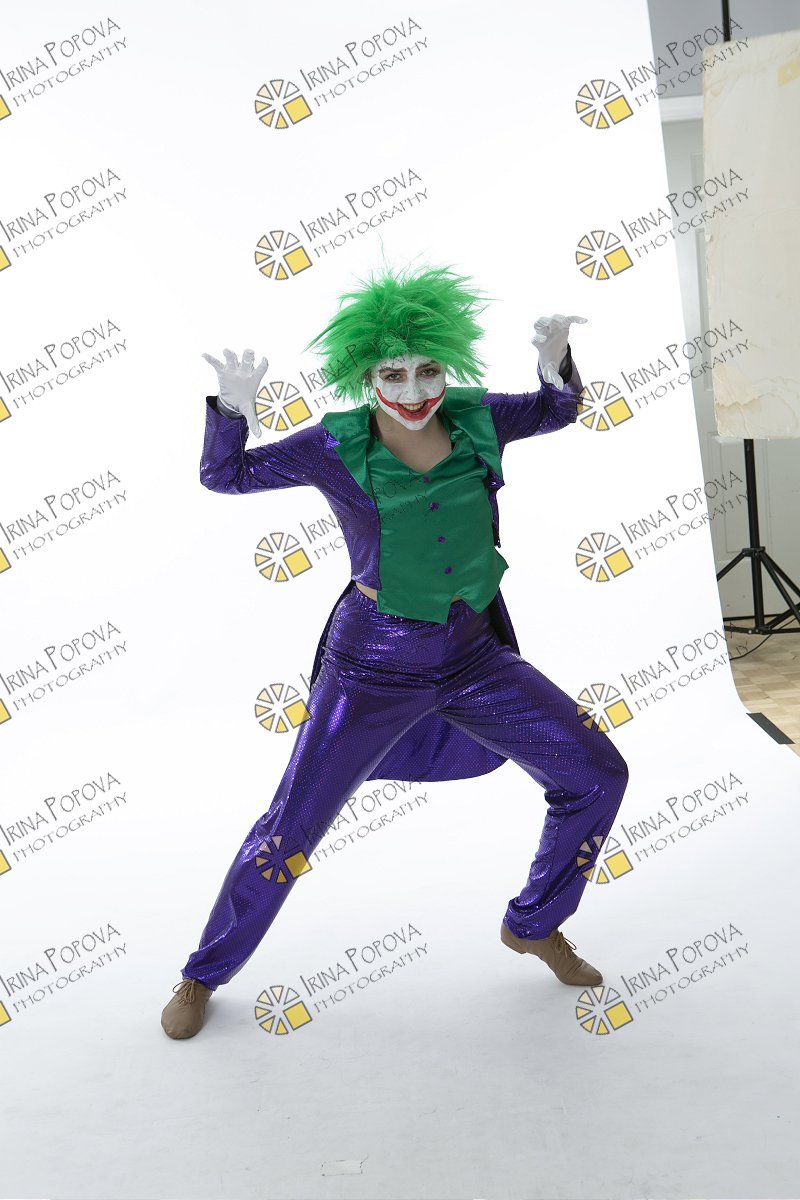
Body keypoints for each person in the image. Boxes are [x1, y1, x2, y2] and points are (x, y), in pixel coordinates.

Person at [161, 265, 629, 1040]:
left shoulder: (478, 419)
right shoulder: (335, 445)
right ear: (366, 377)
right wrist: (231, 411)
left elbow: (558, 408)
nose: (413, 390)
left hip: (474, 657)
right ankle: (202, 973)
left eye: (428, 371)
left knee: (596, 772)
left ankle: (536, 922)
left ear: (448, 368)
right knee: (291, 828)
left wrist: (554, 363)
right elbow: (225, 475)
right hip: (370, 666)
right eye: (393, 374)